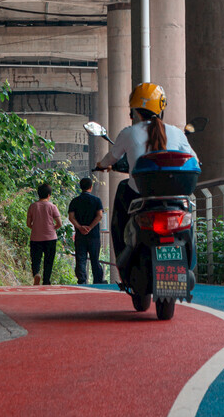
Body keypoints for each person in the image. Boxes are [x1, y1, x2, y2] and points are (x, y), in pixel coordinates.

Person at [96, 82, 197, 263]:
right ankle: (190, 261)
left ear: (134, 111)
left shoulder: (129, 133)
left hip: (141, 195)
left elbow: (110, 158)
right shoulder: (176, 133)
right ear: (161, 109)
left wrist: (102, 164)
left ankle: (121, 257)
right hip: (175, 196)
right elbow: (194, 160)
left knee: (120, 207)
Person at [68, 177, 105, 285]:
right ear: (91, 187)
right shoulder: (96, 200)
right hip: (93, 235)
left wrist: (80, 227)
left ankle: (82, 281)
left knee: (81, 259)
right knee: (95, 259)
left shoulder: (75, 201)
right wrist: (90, 227)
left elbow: (71, 217)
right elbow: (99, 216)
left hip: (80, 235)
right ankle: (98, 281)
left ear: (80, 187)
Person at [26, 182, 62, 285]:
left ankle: (36, 273)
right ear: (49, 195)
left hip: (36, 237)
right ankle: (46, 281)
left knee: (36, 259)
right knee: (48, 261)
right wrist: (53, 228)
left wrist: (36, 228)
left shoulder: (32, 206)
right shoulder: (52, 206)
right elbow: (59, 223)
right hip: (50, 237)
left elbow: (28, 223)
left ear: (38, 194)